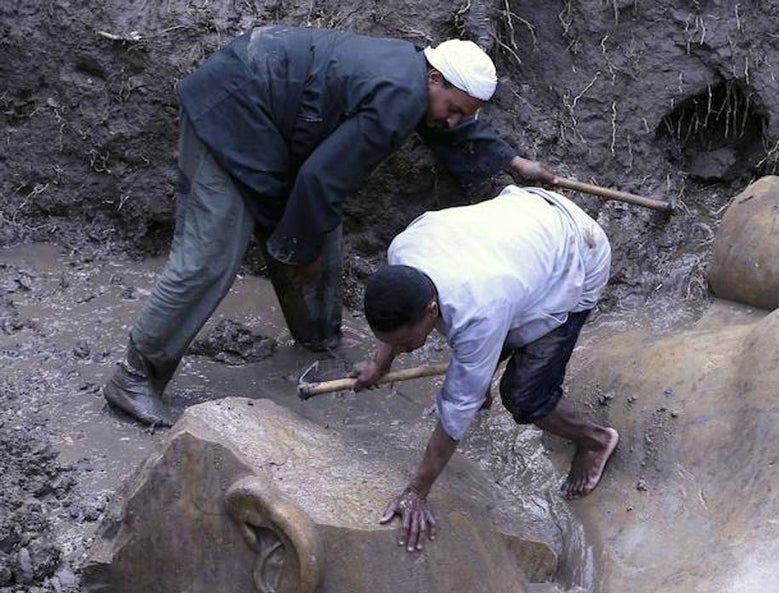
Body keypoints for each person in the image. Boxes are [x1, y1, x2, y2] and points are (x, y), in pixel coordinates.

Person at [103, 25, 555, 428]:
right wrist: (299, 251)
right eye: (453, 108)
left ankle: (319, 338)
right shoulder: (402, 96)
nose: (451, 121)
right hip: (230, 111)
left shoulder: (414, 74)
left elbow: (443, 127)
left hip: (271, 119)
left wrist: (514, 163)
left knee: (318, 227)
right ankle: (134, 377)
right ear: (434, 79)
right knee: (210, 258)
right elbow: (321, 179)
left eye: (463, 115)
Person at [355, 185, 620, 552]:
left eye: (405, 343)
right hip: (523, 225)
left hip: (577, 252)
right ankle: (480, 381)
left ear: (432, 311)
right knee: (476, 356)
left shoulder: (477, 309)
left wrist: (417, 490)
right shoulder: (402, 254)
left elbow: (454, 410)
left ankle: (596, 440)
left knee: (524, 396)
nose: (402, 350)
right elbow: (395, 311)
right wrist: (378, 363)